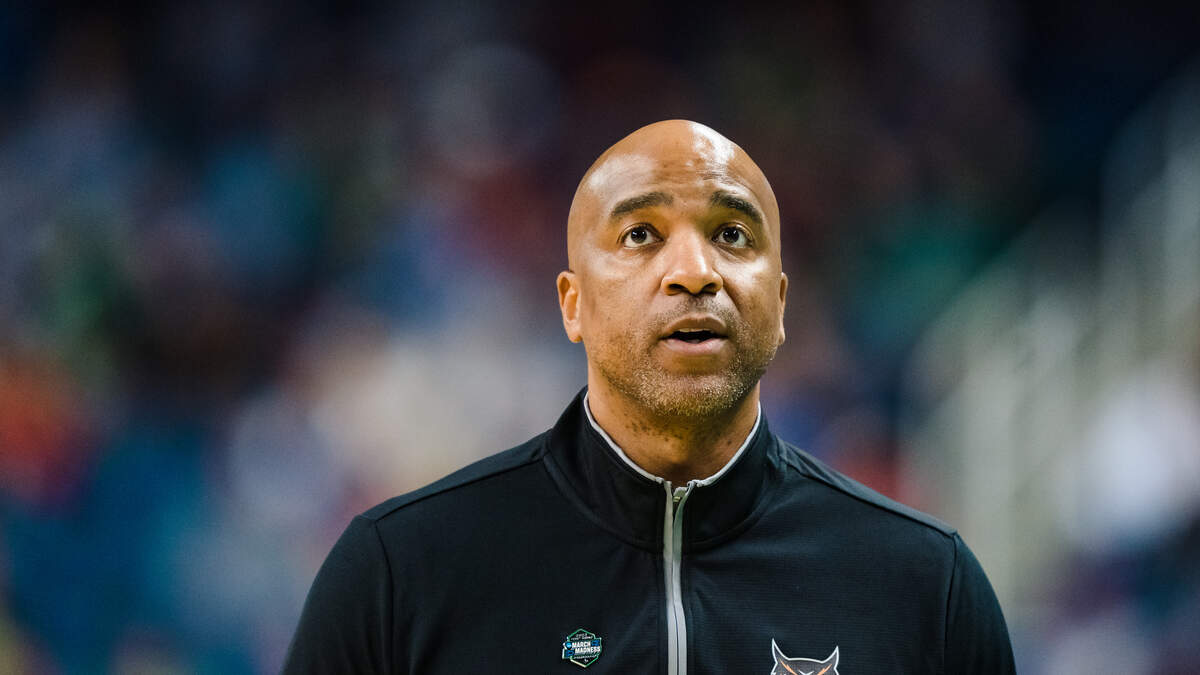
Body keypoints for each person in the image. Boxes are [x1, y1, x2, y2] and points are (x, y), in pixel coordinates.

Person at [282, 120, 1015, 673]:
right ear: (572, 303)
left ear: (781, 303)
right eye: (640, 234)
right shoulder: (399, 573)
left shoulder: (925, 586)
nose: (694, 271)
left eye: (732, 234)